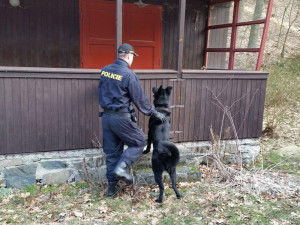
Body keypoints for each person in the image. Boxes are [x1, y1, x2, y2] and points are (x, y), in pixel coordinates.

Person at [98, 43, 166, 197]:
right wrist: (153, 112)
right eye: (132, 57)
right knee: (139, 142)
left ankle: (112, 189)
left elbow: (102, 91)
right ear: (129, 56)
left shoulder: (105, 71)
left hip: (106, 117)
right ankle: (121, 168)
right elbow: (140, 99)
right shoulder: (128, 75)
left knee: (112, 153)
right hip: (121, 118)